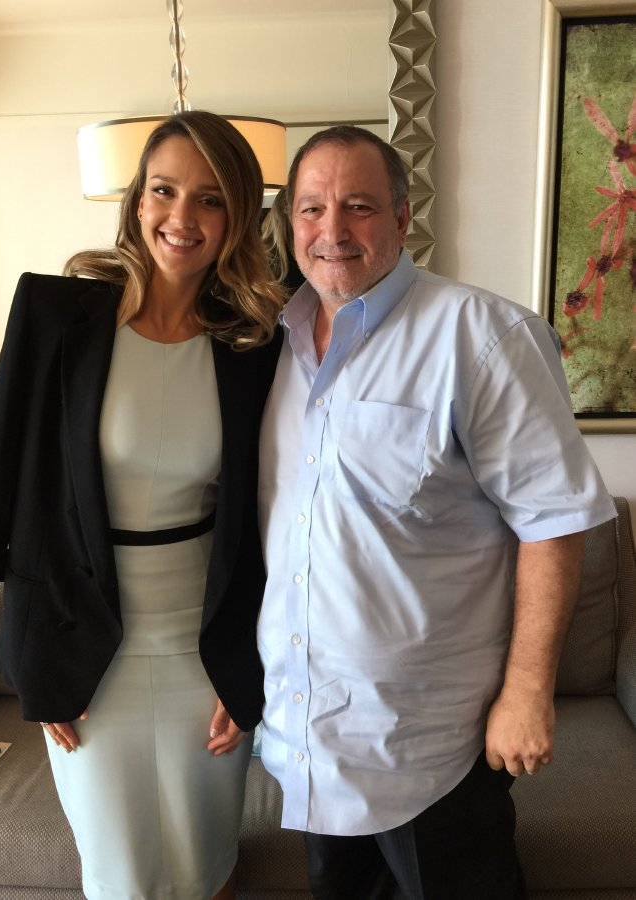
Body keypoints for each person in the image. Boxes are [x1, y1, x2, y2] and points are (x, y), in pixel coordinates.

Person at [256, 125, 616, 900]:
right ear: (290, 222)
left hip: (432, 747)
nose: (332, 230)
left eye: (358, 206)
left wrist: (527, 694)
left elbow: (553, 524)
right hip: (310, 737)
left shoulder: (482, 336)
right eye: (312, 208)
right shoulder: (269, 345)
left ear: (401, 215)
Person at [0, 110, 284, 900]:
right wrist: (33, 665)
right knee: (121, 874)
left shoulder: (255, 341)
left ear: (239, 214)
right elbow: (11, 486)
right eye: (163, 190)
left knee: (207, 860)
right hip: (84, 648)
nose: (181, 216)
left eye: (210, 199)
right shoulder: (54, 314)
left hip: (204, 648)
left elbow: (268, 516)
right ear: (137, 198)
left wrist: (250, 673)